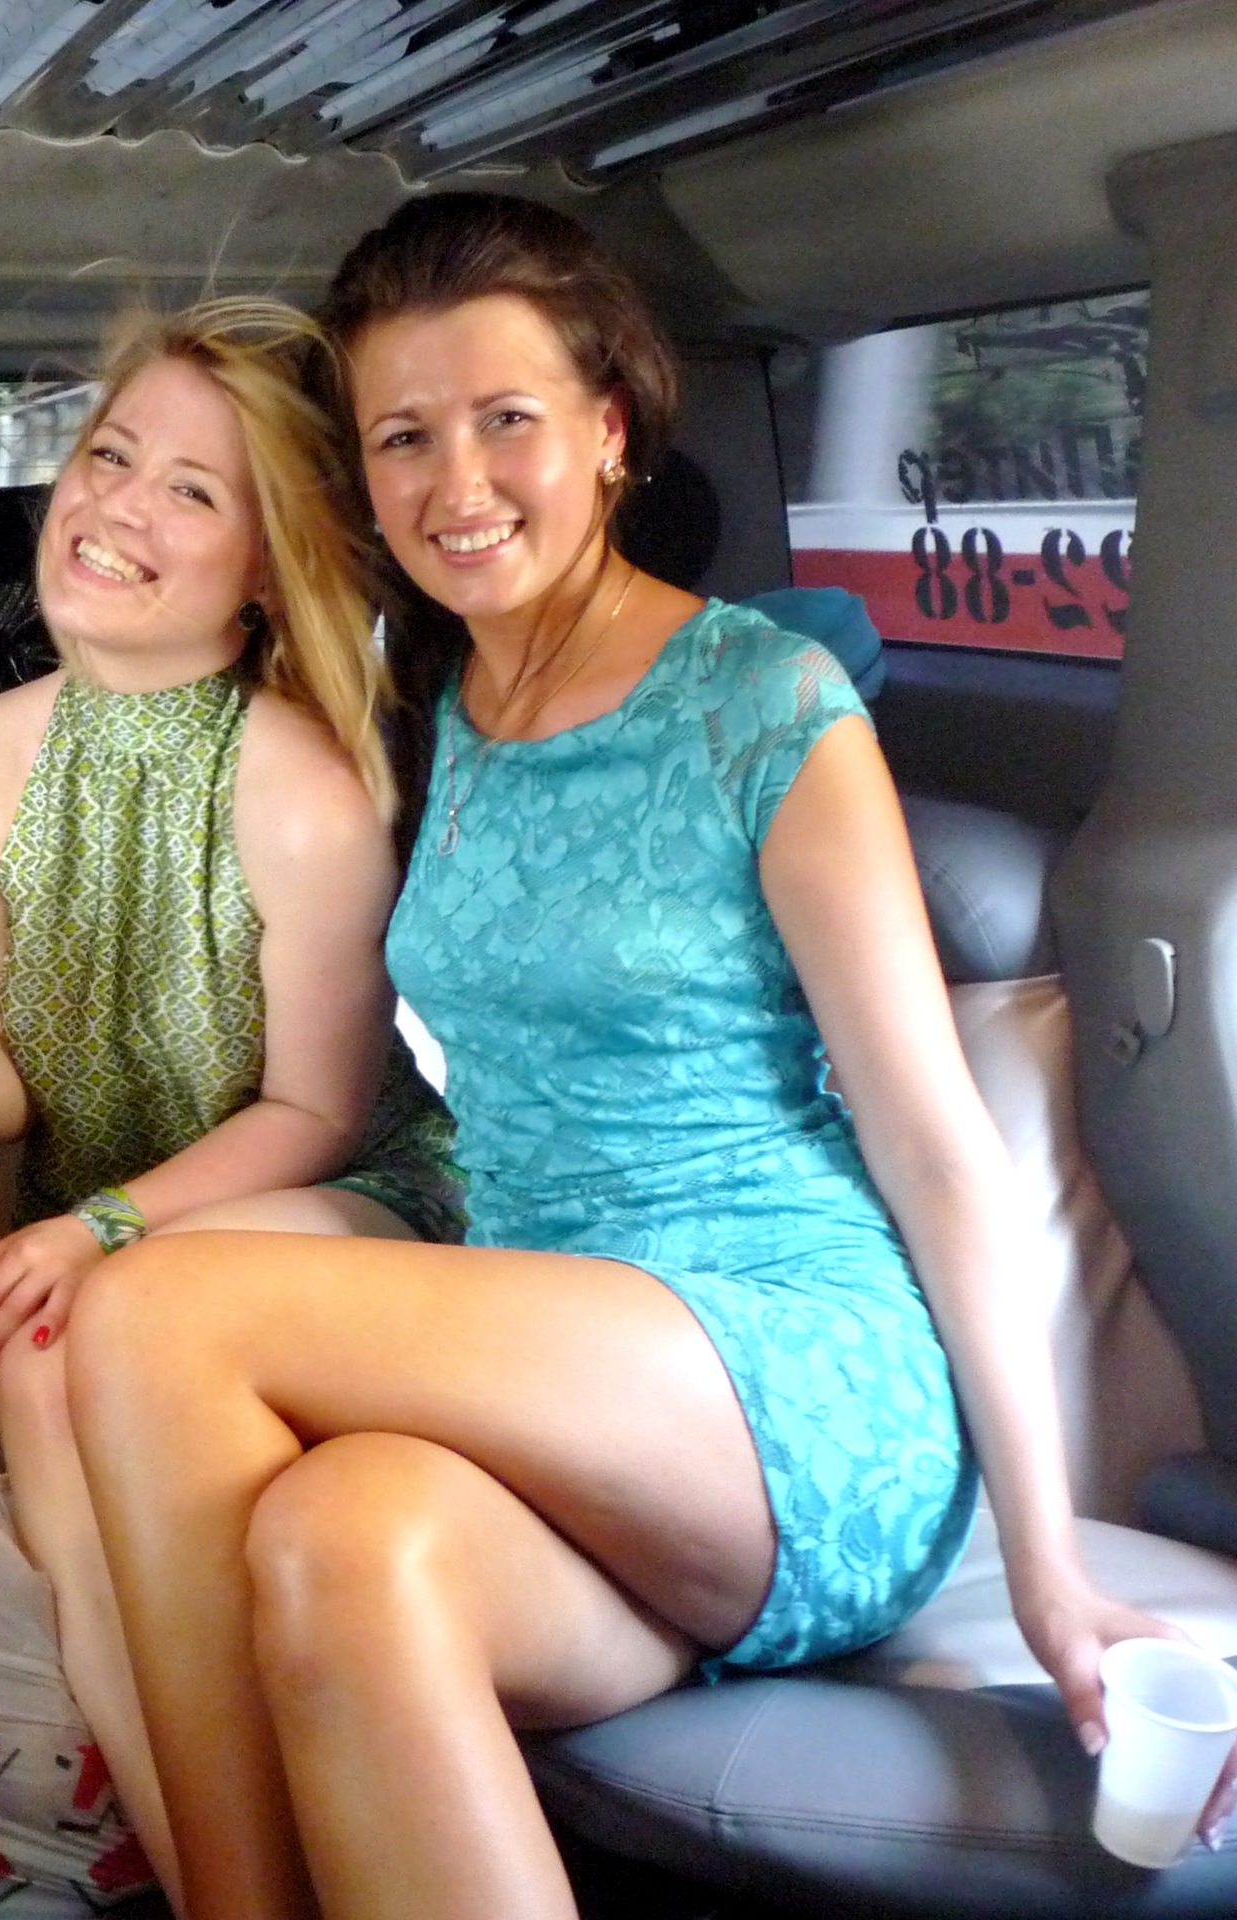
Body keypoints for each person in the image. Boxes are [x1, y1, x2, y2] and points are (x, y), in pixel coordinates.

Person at [63, 192, 1219, 1919]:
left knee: (151, 1307)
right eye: (403, 437)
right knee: (341, 1540)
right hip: (568, 1372)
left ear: (608, 431)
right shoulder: (441, 709)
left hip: (788, 1377)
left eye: (506, 418)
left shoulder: (762, 703)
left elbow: (933, 1147)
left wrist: (1045, 1566)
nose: (458, 482)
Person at [0, 299, 466, 1907]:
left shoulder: (303, 790)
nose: (116, 510)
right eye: (110, 458)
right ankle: (210, 1879)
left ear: (268, 566)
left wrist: (106, 1224)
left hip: (337, 1194)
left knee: (96, 1322)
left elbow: (318, 1111)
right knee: (44, 1366)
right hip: (108, 1232)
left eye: (193, 490)